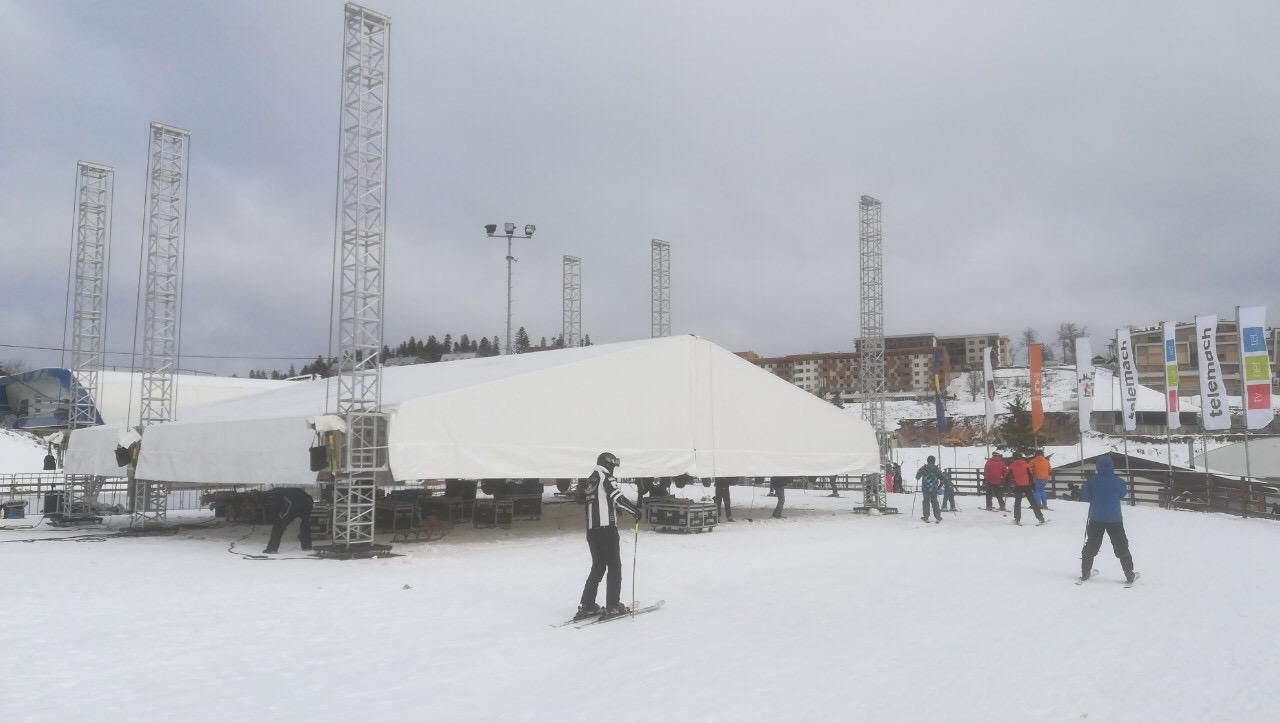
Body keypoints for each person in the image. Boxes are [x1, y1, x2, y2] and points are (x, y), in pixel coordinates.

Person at [576, 452, 642, 621]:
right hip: (607, 531)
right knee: (614, 566)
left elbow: (593, 500)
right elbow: (617, 498)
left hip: (592, 530)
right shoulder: (606, 477)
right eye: (613, 465)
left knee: (598, 566)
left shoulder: (590, 479)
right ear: (609, 464)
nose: (614, 469)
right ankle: (613, 605)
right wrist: (634, 511)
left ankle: (588, 606)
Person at [1079, 454, 1137, 584]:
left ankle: (1085, 572)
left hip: (1095, 517)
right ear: (1112, 466)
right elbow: (1122, 493)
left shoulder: (1091, 481)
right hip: (1114, 518)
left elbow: (1086, 497)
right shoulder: (1119, 481)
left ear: (1098, 466)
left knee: (1092, 543)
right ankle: (1129, 574)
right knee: (1121, 544)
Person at [263, 487, 314, 554]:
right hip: (307, 503)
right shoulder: (290, 489)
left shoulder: (276, 494)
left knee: (278, 526)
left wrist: (273, 518)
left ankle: (272, 548)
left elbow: (275, 507)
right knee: (305, 525)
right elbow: (309, 497)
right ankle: (307, 546)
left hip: (291, 505)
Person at [1008, 453, 1045, 525]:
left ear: (1014, 458)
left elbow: (1008, 476)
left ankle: (1017, 519)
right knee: (1033, 502)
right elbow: (1030, 476)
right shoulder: (1026, 465)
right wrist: (1033, 486)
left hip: (1018, 486)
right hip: (1027, 485)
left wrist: (1007, 486)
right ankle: (1040, 518)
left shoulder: (1011, 466)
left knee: (1017, 503)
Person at [915, 456, 943, 523]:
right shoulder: (937, 469)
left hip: (926, 488)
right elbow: (942, 478)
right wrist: (939, 487)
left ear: (927, 460)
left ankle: (926, 517)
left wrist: (921, 474)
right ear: (934, 461)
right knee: (935, 502)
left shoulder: (924, 468)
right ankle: (938, 517)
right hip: (934, 488)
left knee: (926, 502)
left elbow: (917, 477)